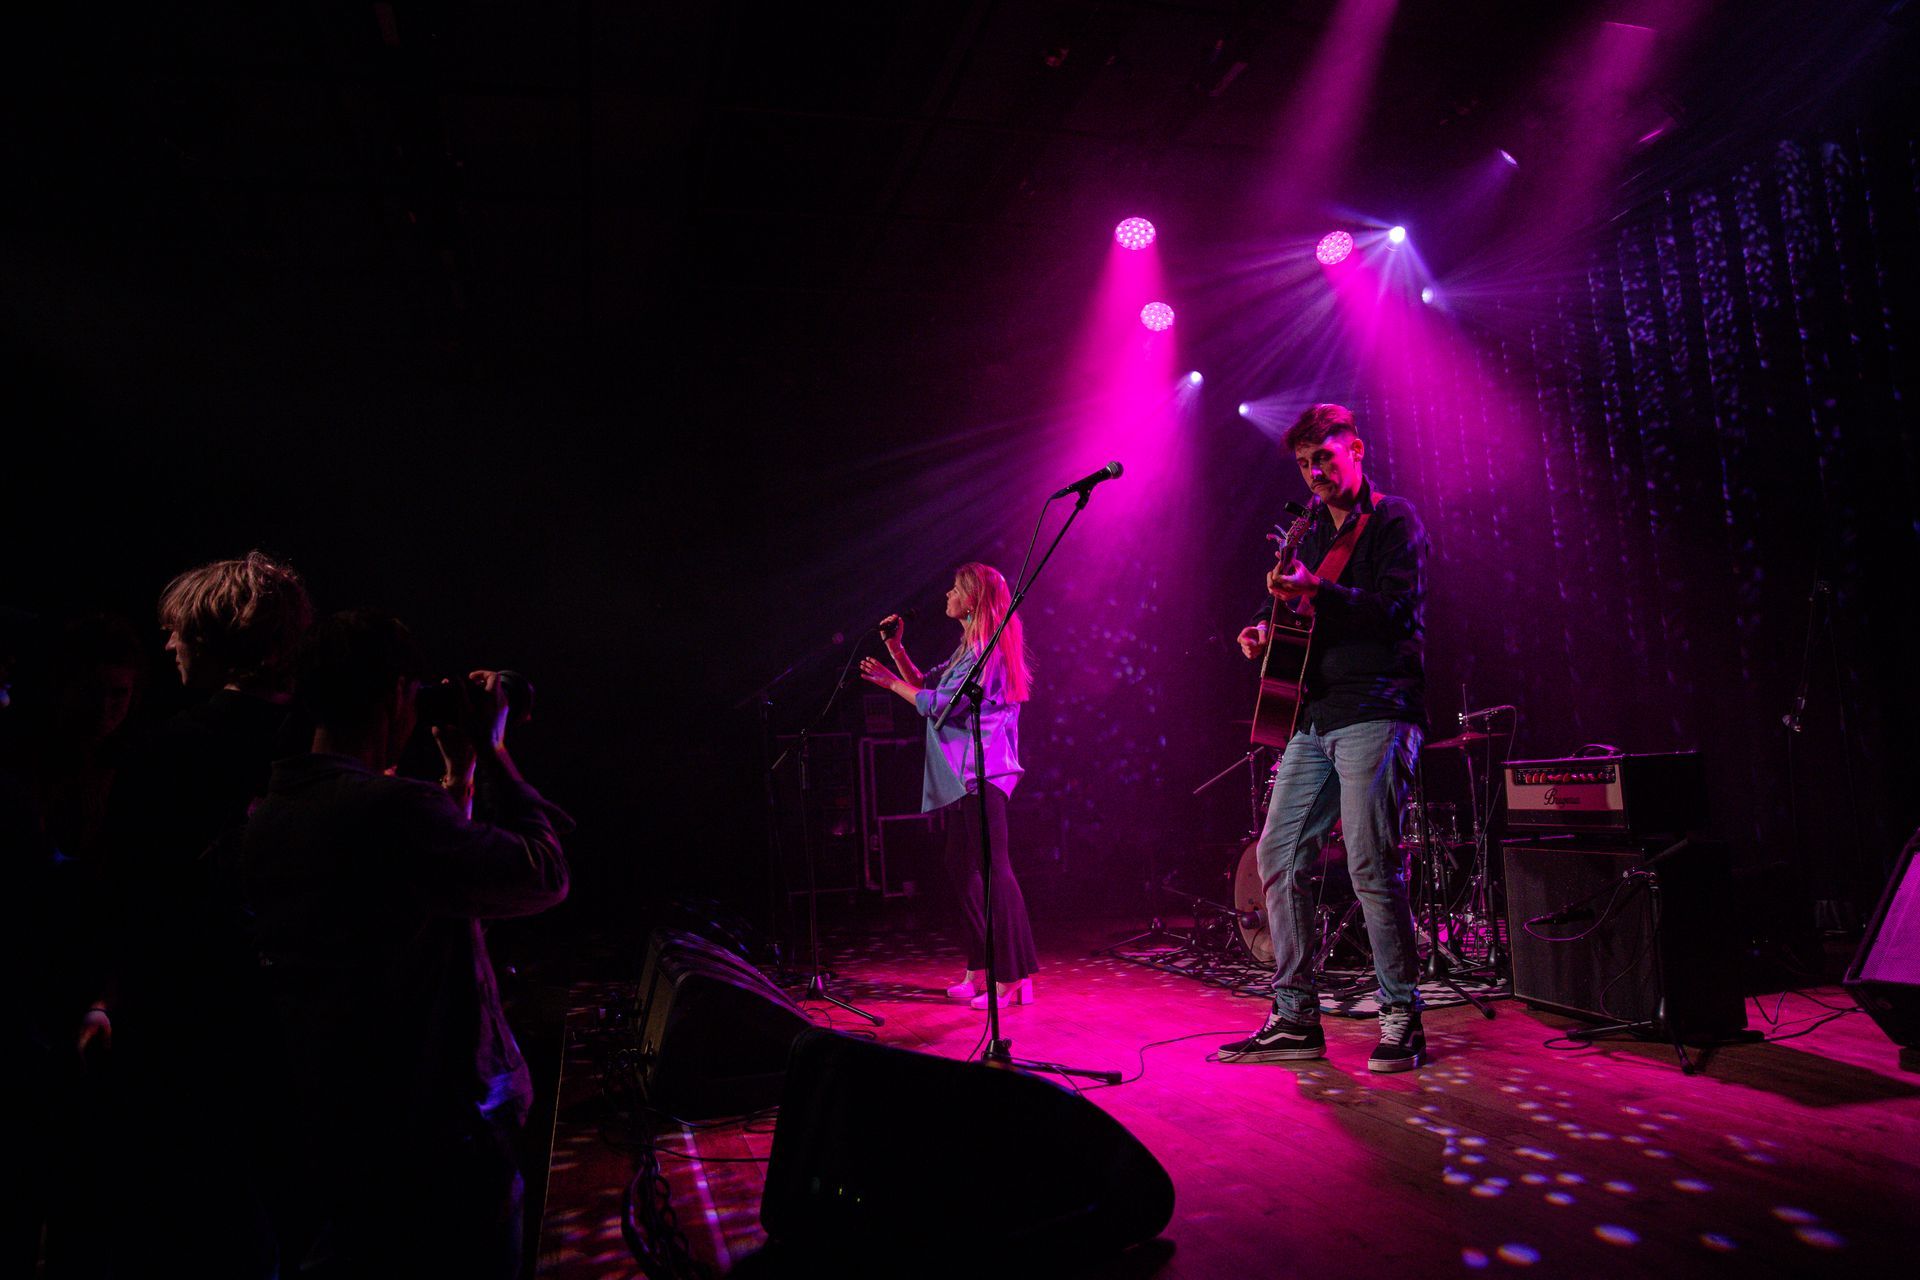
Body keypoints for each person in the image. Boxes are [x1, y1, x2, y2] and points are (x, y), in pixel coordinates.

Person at [240, 609, 571, 1278]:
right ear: (398, 692)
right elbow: (544, 875)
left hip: (346, 1125)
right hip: (440, 1141)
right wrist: (497, 750)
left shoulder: (275, 807)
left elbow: (423, 893)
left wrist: (458, 781)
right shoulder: (388, 811)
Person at [1220, 404, 1430, 1072]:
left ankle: (1402, 1015)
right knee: (1277, 858)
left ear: (1357, 449)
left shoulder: (1394, 519)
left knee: (1370, 863)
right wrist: (1259, 628)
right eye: (1306, 463)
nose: (1314, 473)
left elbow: (1397, 610)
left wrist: (1322, 592)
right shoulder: (1305, 532)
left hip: (1375, 707)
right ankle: (1295, 1017)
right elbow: (1282, 608)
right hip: (1312, 718)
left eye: (1325, 459)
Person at [859, 563, 1039, 1010]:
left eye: (955, 590)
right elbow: (929, 686)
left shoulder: (989, 653)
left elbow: (945, 706)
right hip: (963, 777)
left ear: (973, 599)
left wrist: (889, 683)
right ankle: (980, 966)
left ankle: (1014, 975)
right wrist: (897, 652)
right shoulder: (969, 649)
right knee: (959, 865)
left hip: (984, 772)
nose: (946, 595)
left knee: (995, 869)